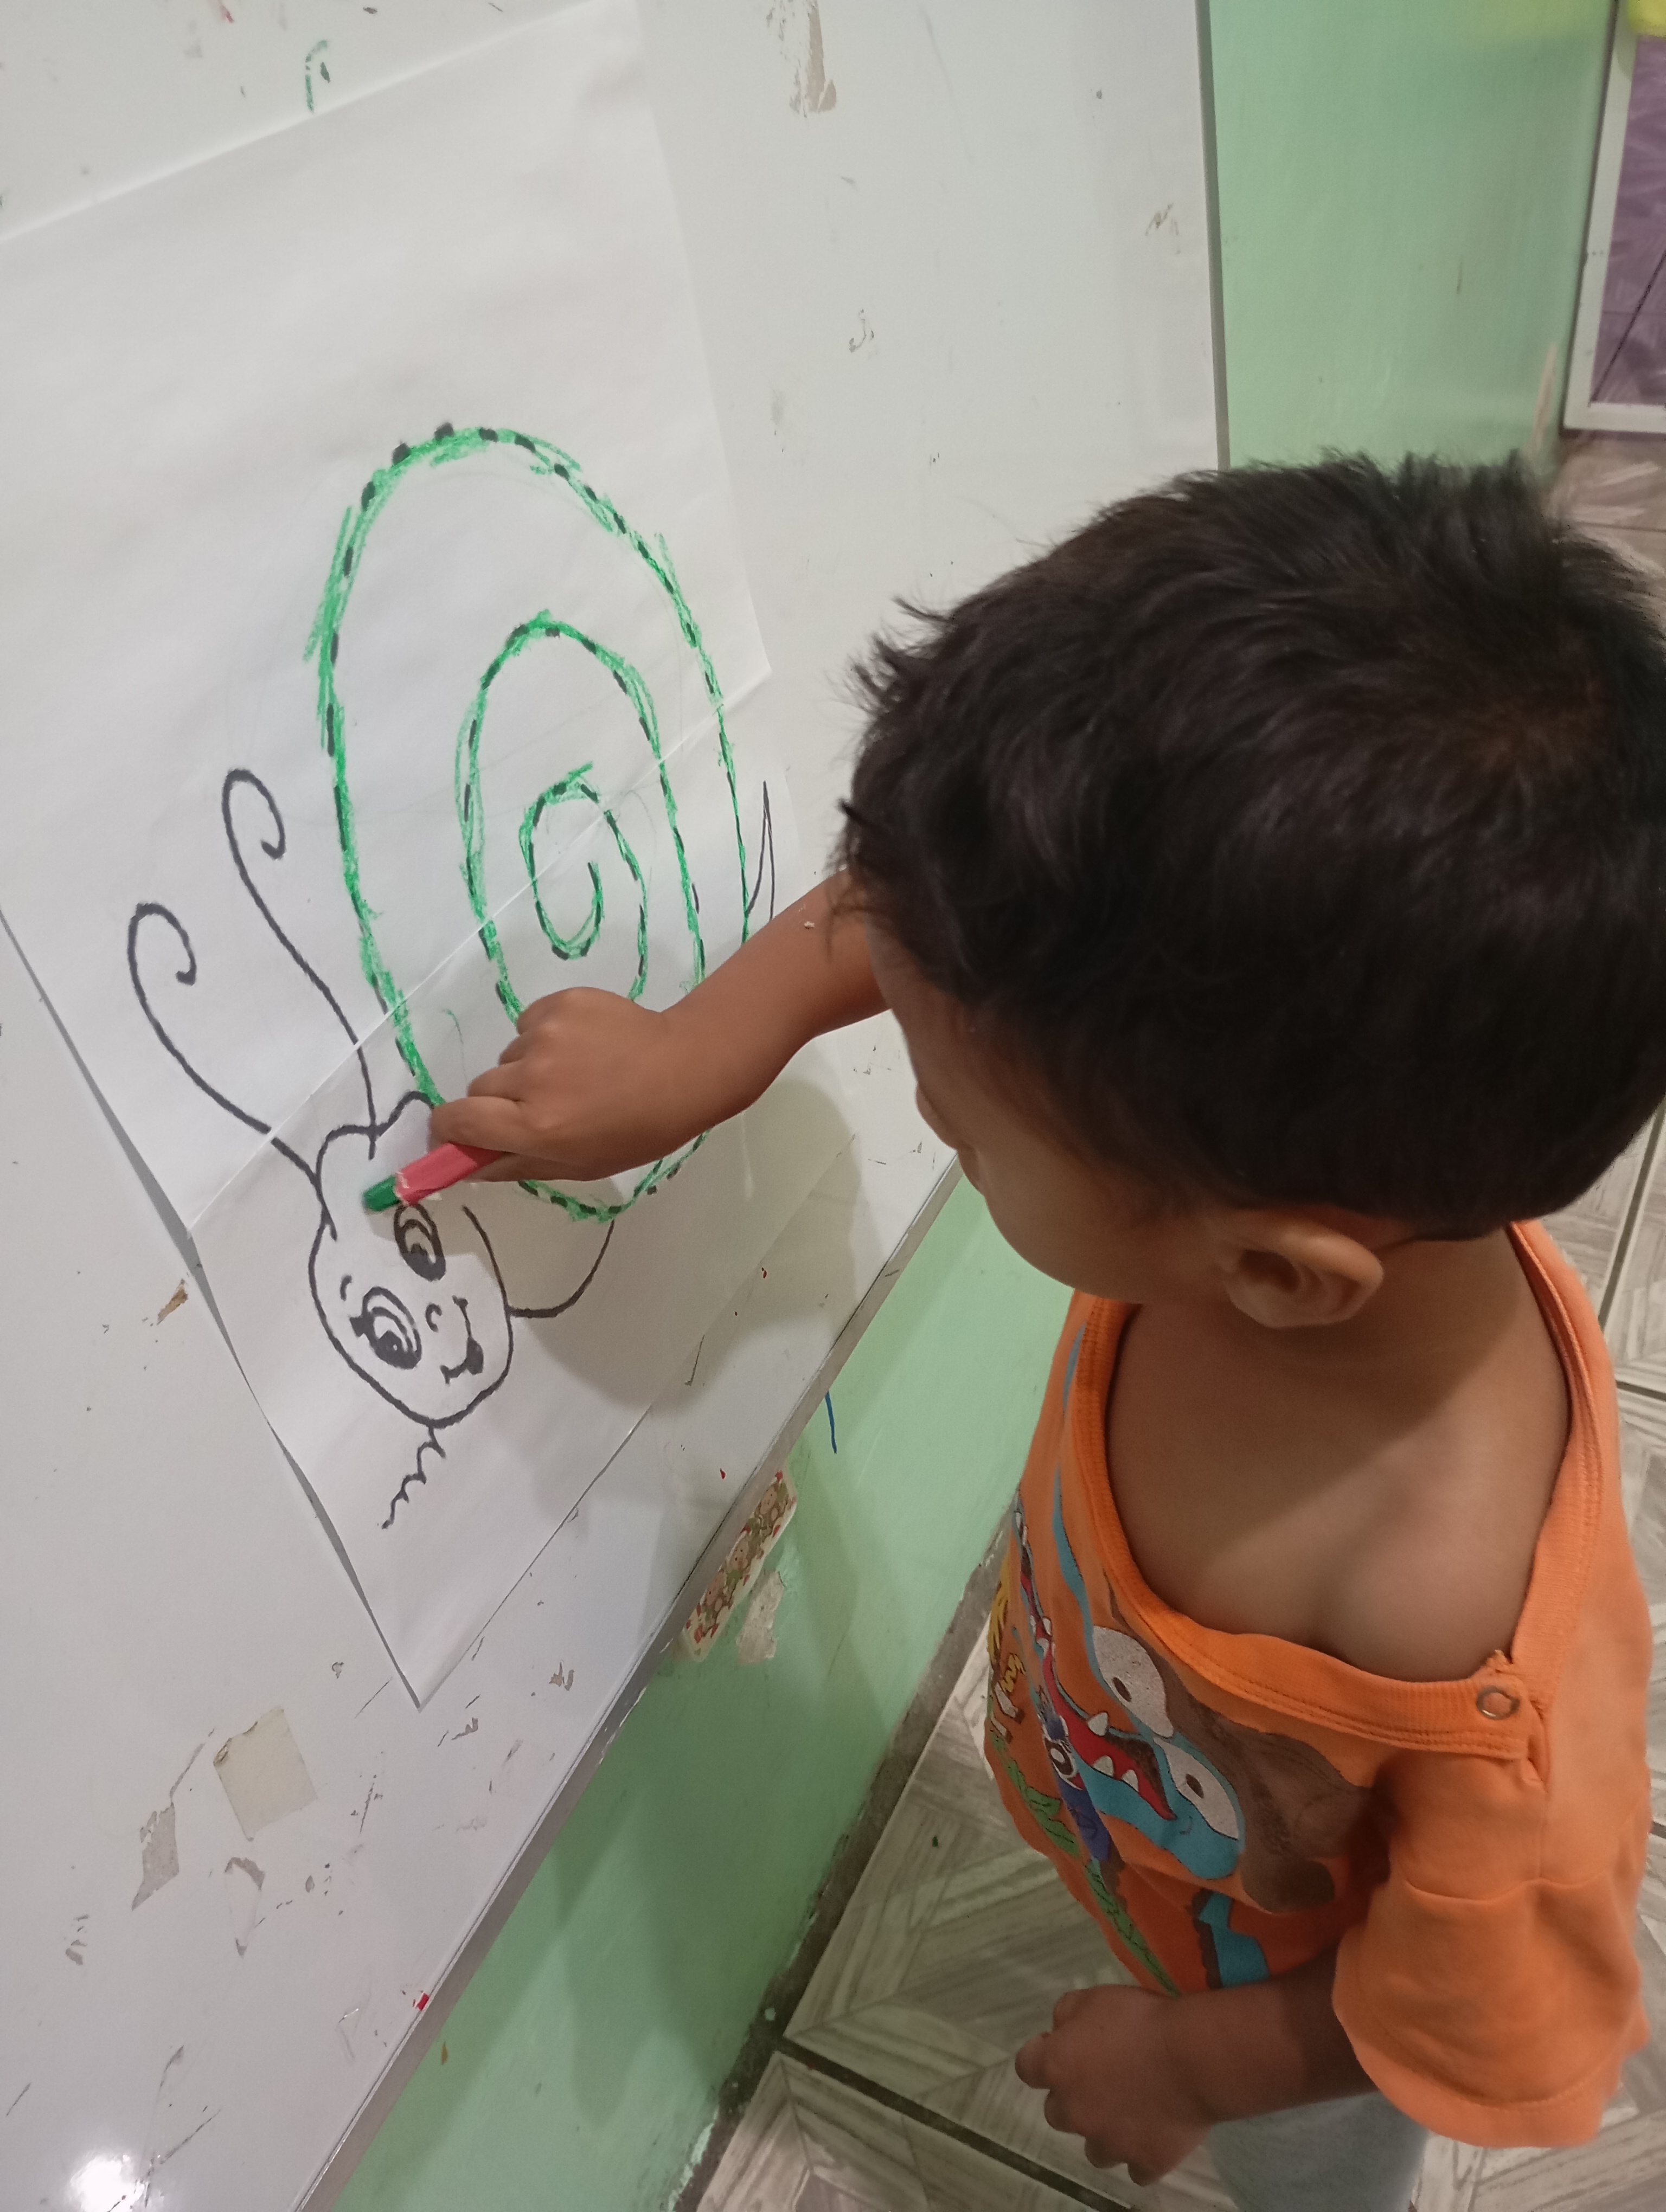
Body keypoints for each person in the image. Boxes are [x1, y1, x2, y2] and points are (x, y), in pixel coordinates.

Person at [431, 456, 1660, 2212]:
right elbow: (907, 928)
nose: (928, 1100)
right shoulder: (1214, 1099)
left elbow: (1469, 2002)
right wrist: (700, 1051)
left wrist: (1197, 2065)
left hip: (1284, 2020)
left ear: (1276, 1275)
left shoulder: (1446, 1625)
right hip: (1139, 1816)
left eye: (957, 1126)